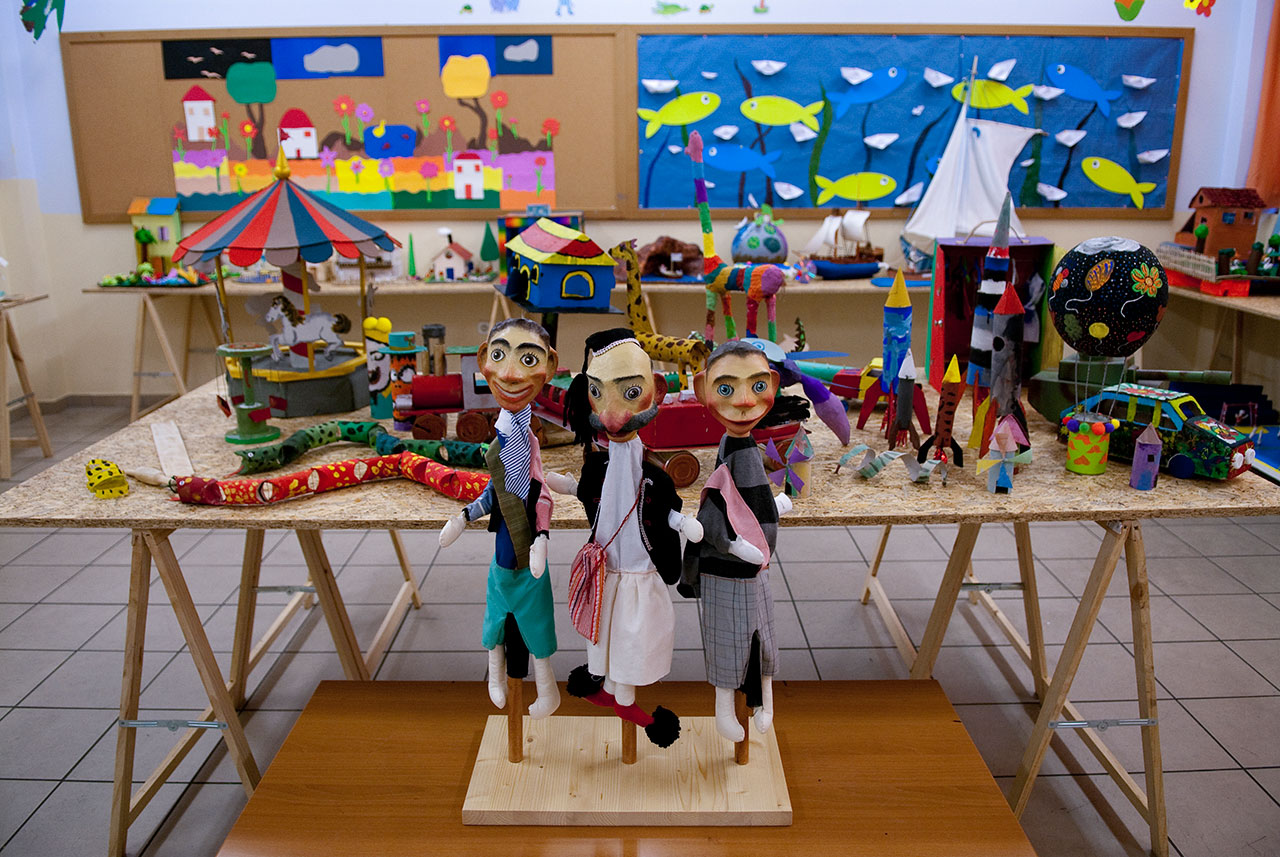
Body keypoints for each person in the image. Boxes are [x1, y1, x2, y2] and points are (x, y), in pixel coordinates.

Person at [547, 328, 700, 747]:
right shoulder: (599, 467)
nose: (613, 415)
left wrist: (680, 522)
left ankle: (621, 699)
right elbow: (587, 492)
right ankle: (622, 701)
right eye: (598, 393)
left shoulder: (653, 476)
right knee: (608, 635)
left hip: (638, 570)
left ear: (656, 390)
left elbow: (661, 509)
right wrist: (563, 484)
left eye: (631, 392)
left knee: (631, 641)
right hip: (606, 571)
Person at [438, 318, 560, 719]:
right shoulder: (502, 440)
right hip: (502, 558)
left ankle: (548, 689)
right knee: (496, 620)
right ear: (483, 361)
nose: (510, 373)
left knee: (536, 622)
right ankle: (494, 676)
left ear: (550, 365)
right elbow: (496, 492)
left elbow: (538, 491)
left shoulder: (526, 442)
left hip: (527, 555)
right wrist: (463, 517)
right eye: (498, 355)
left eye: (528, 359)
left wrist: (542, 537)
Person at [679, 340, 792, 742]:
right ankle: (724, 708)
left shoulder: (745, 448)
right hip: (726, 567)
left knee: (764, 638)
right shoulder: (731, 450)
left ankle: (766, 702)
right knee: (727, 641)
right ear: (702, 390)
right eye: (726, 388)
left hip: (756, 567)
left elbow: (749, 498)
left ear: (773, 384)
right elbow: (716, 506)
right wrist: (732, 543)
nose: (744, 401)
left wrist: (773, 507)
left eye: (757, 386)